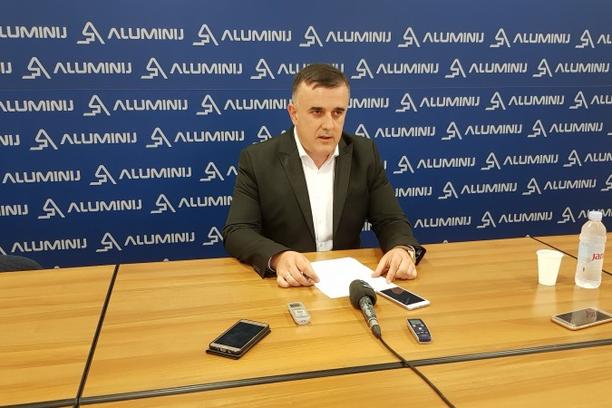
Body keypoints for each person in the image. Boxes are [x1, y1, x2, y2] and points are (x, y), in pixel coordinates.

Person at [223, 63, 421, 288]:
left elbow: (390, 219)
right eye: (317, 112)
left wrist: (401, 249)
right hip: (289, 285)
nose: (329, 125)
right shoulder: (258, 159)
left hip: (347, 285)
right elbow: (237, 231)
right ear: (294, 113)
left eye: (338, 113)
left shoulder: (365, 154)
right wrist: (279, 257)